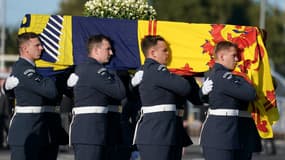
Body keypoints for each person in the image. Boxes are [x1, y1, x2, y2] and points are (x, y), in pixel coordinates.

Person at [132, 35, 192, 160]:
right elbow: (184, 87)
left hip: (165, 132)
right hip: (157, 133)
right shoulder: (155, 70)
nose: (168, 53)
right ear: (153, 53)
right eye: (164, 50)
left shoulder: (155, 71)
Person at [200, 41, 261, 160]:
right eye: (234, 55)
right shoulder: (222, 76)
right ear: (222, 56)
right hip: (221, 137)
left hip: (232, 135)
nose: (237, 59)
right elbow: (250, 93)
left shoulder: (225, 76)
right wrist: (243, 77)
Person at [70, 34, 126, 160]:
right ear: (96, 50)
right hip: (90, 133)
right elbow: (119, 92)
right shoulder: (95, 70)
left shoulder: (86, 67)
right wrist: (113, 70)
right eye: (108, 49)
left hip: (90, 131)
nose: (111, 53)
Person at [7, 32, 58, 160]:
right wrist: (50, 73)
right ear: (25, 49)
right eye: (37, 45)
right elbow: (50, 92)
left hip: (35, 129)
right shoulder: (24, 70)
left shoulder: (30, 69)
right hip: (25, 131)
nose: (42, 48)